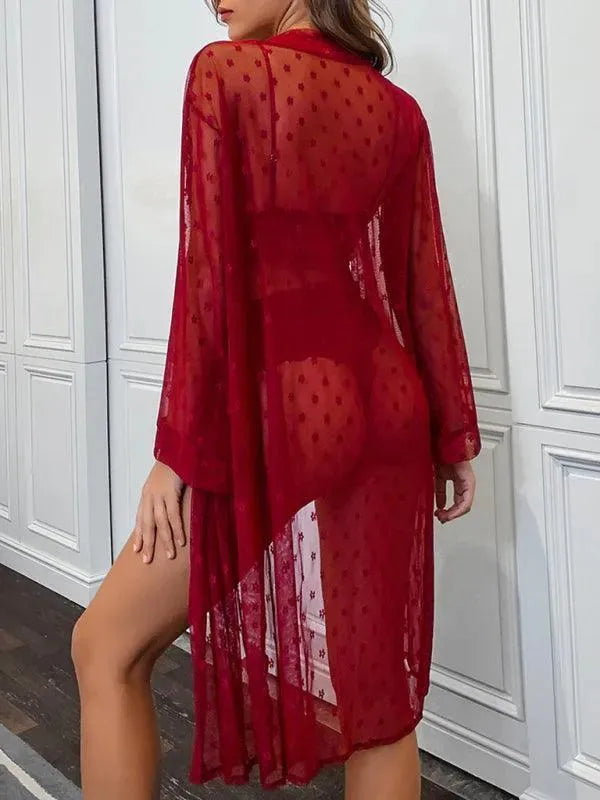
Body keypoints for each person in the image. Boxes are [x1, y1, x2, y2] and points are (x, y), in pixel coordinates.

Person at [71, 1, 482, 798]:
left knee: (104, 648)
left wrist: (176, 451)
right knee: (379, 704)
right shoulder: (398, 112)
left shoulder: (226, 74)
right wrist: (452, 434)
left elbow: (207, 277)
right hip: (386, 393)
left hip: (289, 393)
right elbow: (422, 275)